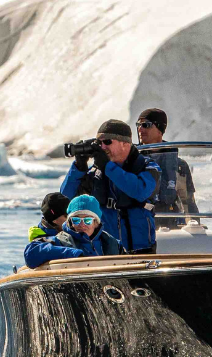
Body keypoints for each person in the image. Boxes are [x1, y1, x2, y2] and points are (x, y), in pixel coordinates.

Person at [59, 119, 163, 253]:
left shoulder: (148, 167)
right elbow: (65, 199)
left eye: (107, 142)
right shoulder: (95, 172)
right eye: (99, 143)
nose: (102, 147)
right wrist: (79, 167)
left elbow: (141, 191)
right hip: (106, 251)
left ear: (125, 143)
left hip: (140, 250)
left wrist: (108, 167)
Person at [135, 108, 197, 216]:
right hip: (139, 224)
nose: (140, 129)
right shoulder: (131, 161)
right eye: (138, 125)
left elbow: (188, 203)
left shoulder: (179, 166)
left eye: (145, 125)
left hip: (169, 226)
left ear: (159, 129)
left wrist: (195, 225)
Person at [58, 194, 124, 257]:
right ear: (70, 222)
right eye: (76, 220)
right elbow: (47, 249)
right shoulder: (61, 241)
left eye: (87, 220)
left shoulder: (114, 244)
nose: (82, 224)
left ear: (96, 223)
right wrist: (72, 253)